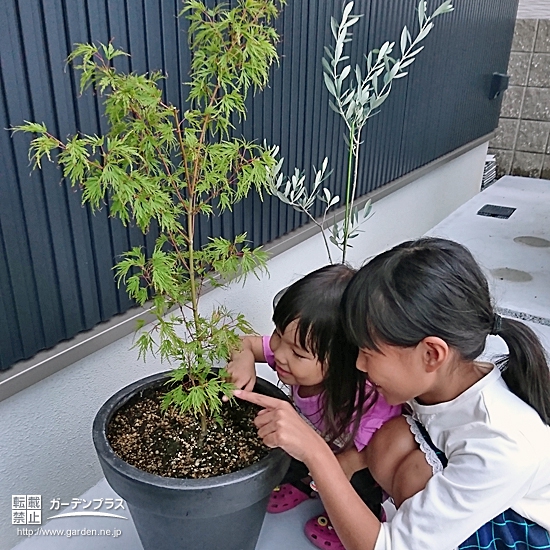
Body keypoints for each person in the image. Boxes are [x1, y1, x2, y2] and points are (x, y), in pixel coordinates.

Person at [234, 238, 550, 550]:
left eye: (368, 352)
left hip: (516, 535)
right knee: (393, 439)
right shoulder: (440, 383)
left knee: (407, 462)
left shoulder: (502, 445)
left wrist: (314, 450)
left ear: (431, 354)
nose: (358, 364)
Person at [227, 263, 401, 550]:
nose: (279, 355)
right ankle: (301, 485)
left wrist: (344, 465)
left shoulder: (368, 399)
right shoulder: (293, 357)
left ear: (343, 360)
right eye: (279, 335)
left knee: (358, 485)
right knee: (285, 448)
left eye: (297, 352)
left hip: (359, 456)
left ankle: (363, 515)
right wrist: (243, 360)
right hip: (315, 438)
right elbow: (240, 343)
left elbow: (379, 448)